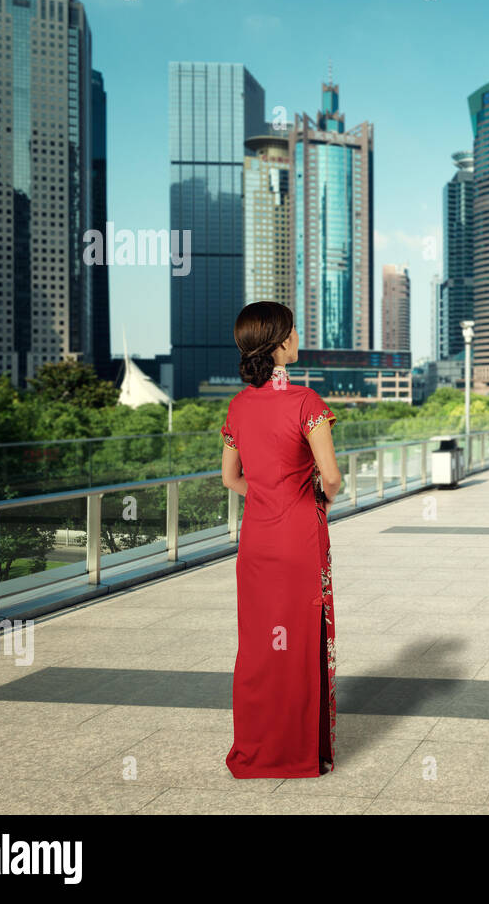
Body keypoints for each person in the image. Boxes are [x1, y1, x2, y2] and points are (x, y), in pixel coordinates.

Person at [220, 301, 342, 778]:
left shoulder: (237, 406)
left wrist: (268, 494)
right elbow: (331, 477)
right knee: (300, 645)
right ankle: (299, 753)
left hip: (256, 544)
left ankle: (257, 750)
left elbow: (230, 479)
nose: (297, 338)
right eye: (292, 332)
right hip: (298, 541)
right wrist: (318, 499)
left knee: (259, 647)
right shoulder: (306, 403)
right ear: (278, 343)